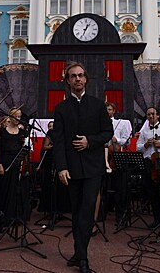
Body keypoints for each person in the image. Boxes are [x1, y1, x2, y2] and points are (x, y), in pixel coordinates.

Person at [53, 62, 113, 273]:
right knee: (77, 212)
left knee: (87, 210)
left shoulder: (98, 105)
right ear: (68, 81)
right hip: (71, 169)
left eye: (80, 75)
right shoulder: (60, 108)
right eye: (73, 76)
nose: (77, 79)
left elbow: (107, 133)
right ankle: (79, 253)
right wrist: (61, 167)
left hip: (93, 167)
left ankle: (83, 257)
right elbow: (58, 141)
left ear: (86, 79)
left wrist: (90, 141)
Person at [0, 107, 31, 224]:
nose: (17, 119)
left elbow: (28, 147)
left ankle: (19, 215)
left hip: (19, 162)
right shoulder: (3, 131)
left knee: (19, 188)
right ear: (10, 117)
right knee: (7, 187)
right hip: (7, 161)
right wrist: (0, 164)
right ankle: (6, 216)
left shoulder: (22, 132)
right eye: (15, 116)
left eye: (19, 117)